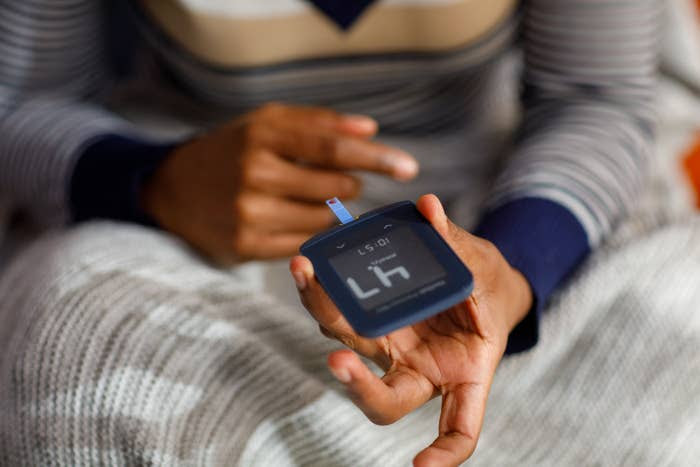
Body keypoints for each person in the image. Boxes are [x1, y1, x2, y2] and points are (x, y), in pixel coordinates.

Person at [0, 1, 663, 465]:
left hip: (501, 206)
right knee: (67, 347)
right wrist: (157, 181)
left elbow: (595, 98)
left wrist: (514, 270)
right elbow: (23, 104)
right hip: (185, 209)